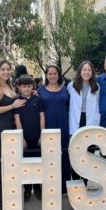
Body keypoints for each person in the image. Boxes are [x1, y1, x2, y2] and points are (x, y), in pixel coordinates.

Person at [0, 60, 26, 210]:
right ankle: (1, 198)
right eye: (3, 69)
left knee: (10, 160)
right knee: (0, 161)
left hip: (10, 127)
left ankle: (10, 191)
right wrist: (12, 105)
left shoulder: (9, 86)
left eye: (8, 69)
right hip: (0, 127)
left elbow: (17, 101)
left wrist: (30, 94)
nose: (6, 72)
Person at [37, 65, 70, 194]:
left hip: (63, 125)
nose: (52, 76)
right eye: (50, 74)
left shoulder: (65, 90)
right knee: (49, 155)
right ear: (46, 75)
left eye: (54, 73)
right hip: (48, 125)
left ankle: (64, 187)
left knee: (63, 153)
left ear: (59, 74)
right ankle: (50, 186)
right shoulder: (40, 90)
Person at [14, 75, 45, 202]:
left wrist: (42, 135)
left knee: (37, 163)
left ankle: (37, 188)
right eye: (23, 86)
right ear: (19, 87)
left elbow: (42, 116)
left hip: (37, 137)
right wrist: (22, 138)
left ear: (32, 86)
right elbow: (17, 119)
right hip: (25, 138)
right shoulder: (17, 101)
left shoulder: (37, 99)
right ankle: (27, 190)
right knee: (25, 164)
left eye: (28, 86)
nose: (26, 88)